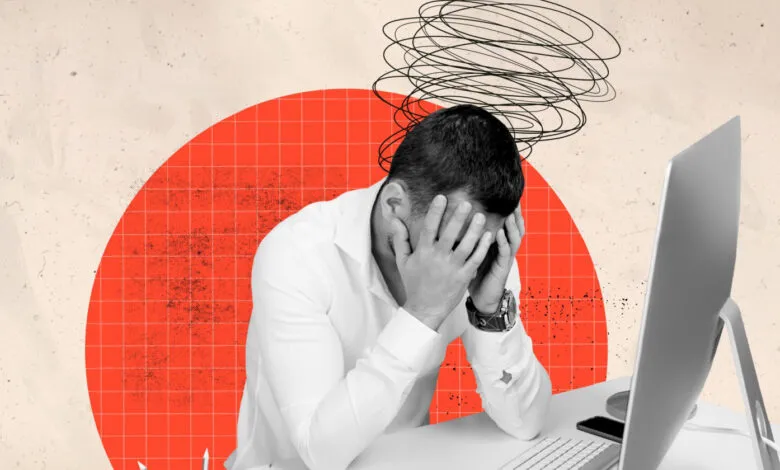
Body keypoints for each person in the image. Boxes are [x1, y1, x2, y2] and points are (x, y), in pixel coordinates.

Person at [225, 104, 553, 470]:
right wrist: (422, 313)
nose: (467, 258)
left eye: (482, 240)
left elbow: (526, 422)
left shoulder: (481, 252)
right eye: (455, 237)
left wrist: (491, 314)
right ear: (395, 205)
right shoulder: (296, 254)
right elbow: (319, 452)